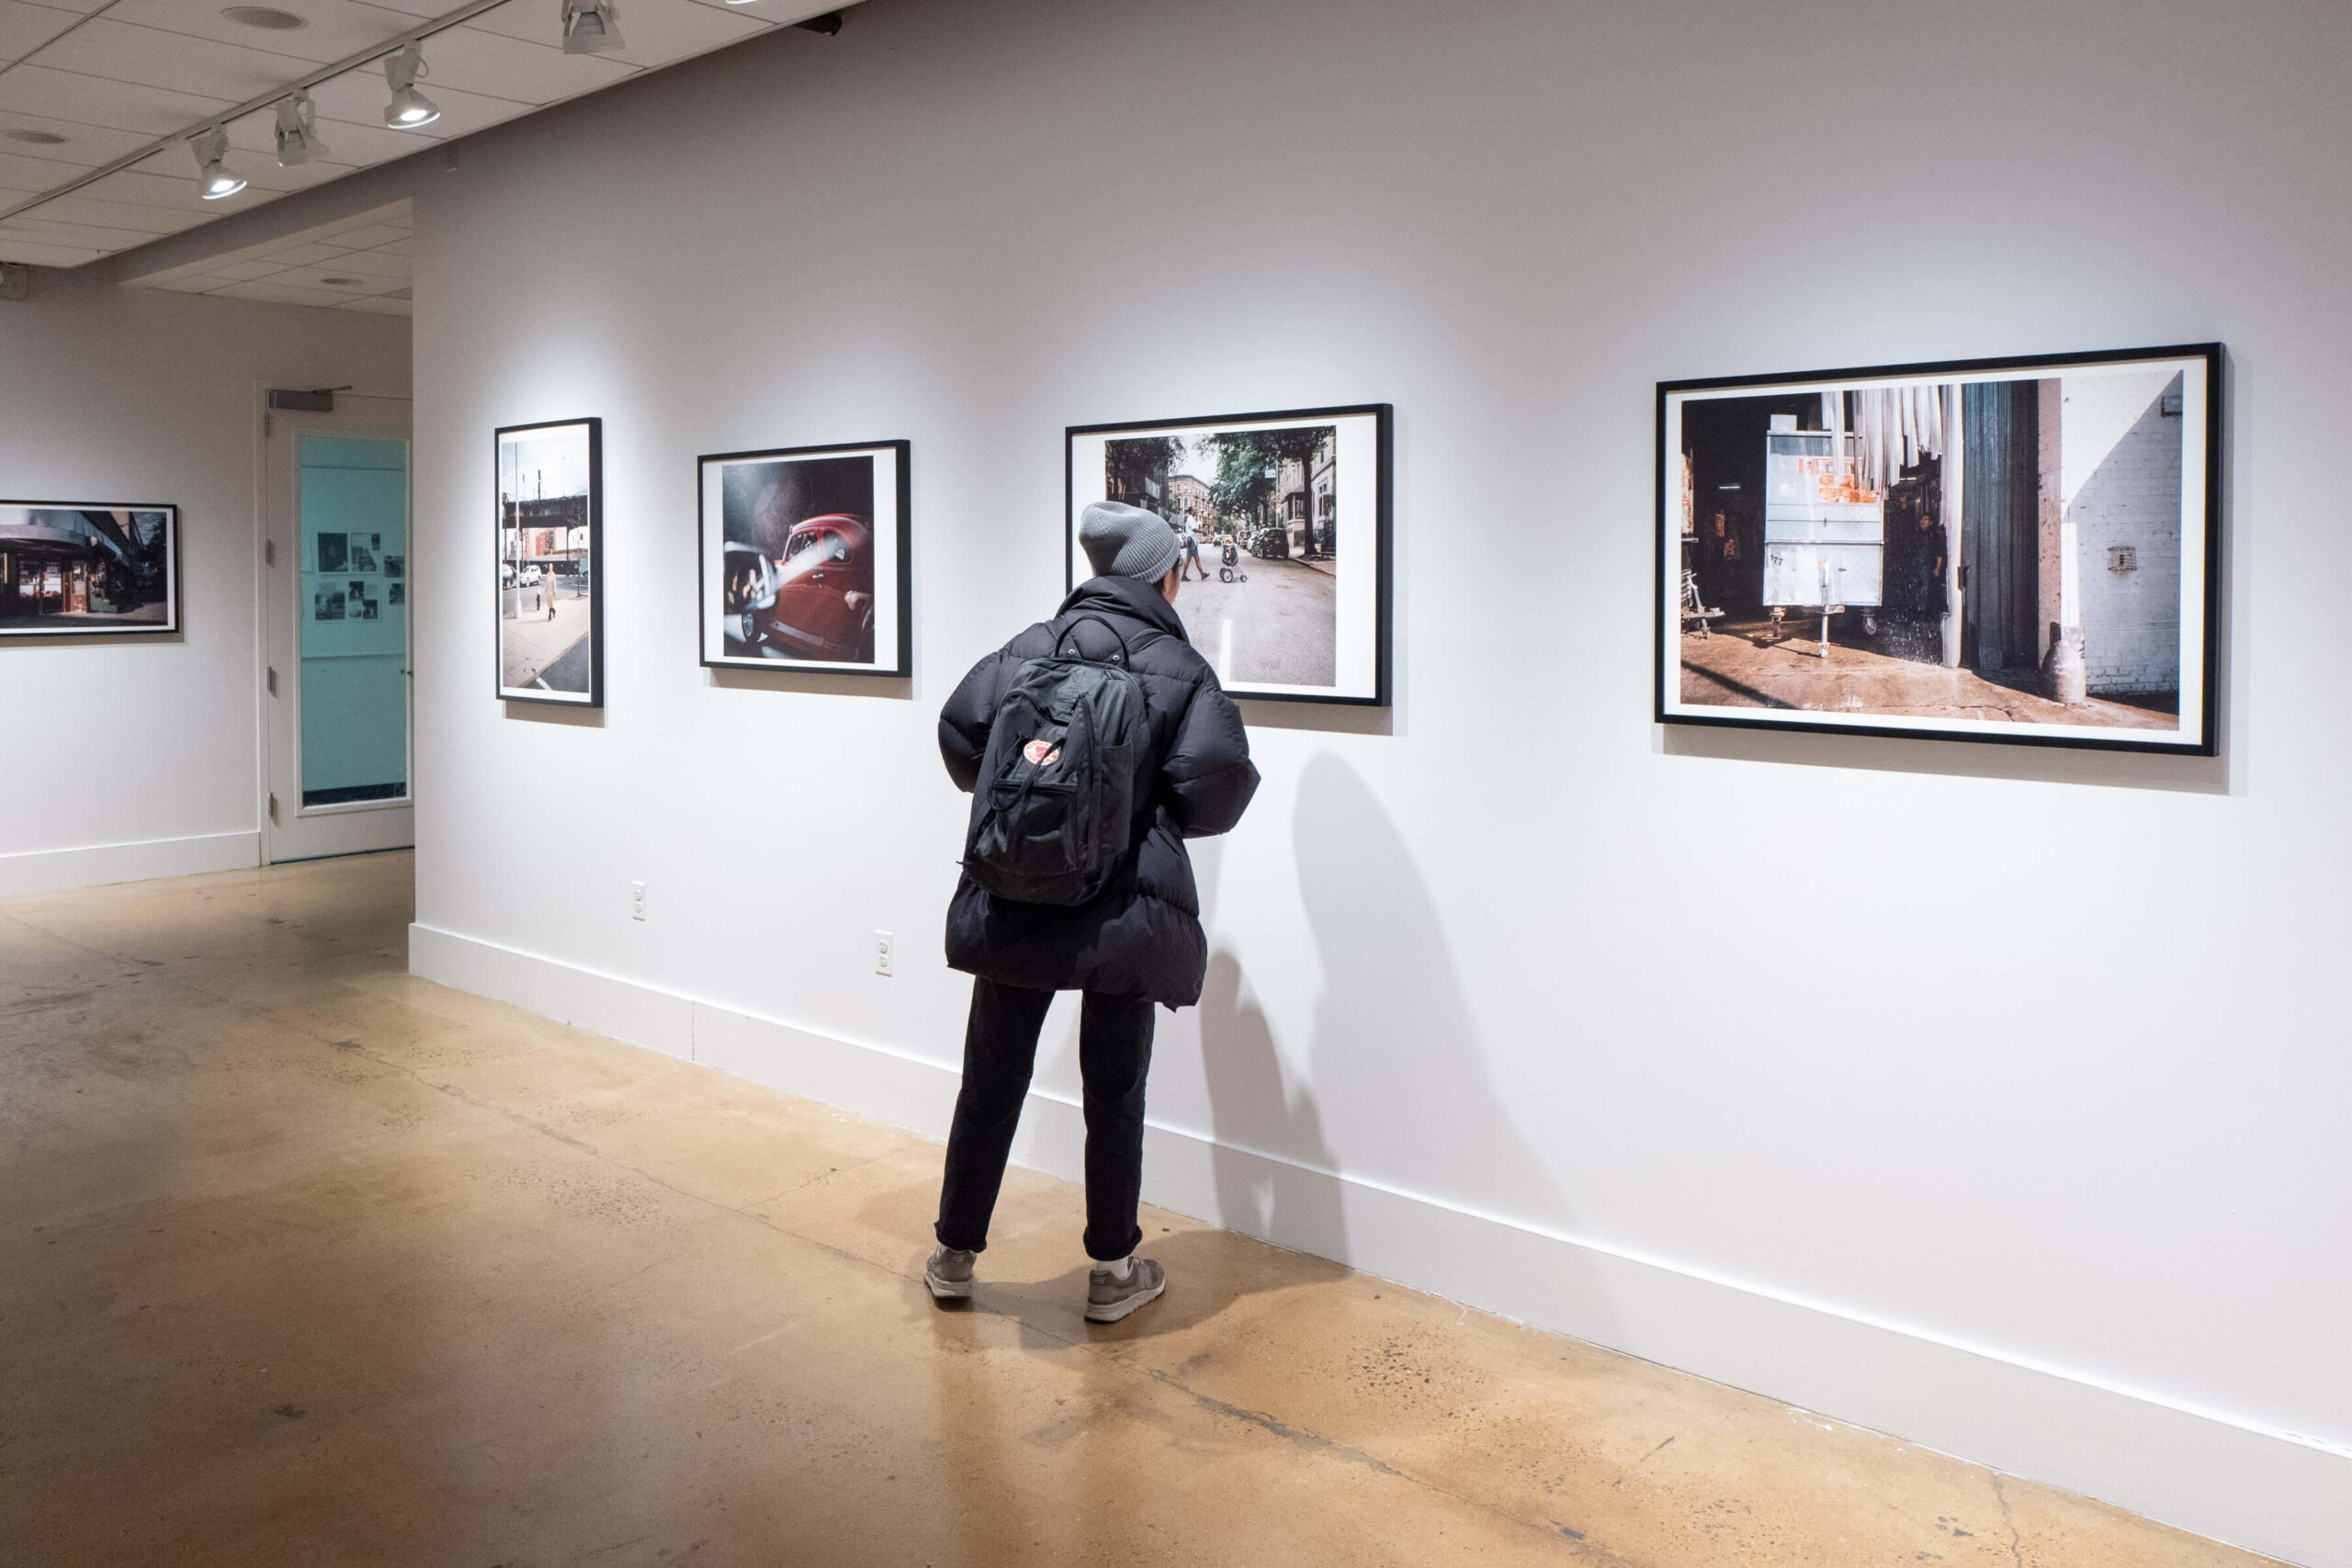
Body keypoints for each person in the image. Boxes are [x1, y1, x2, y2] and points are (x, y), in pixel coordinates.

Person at [928, 500, 1259, 1322]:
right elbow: (1214, 791)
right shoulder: (1179, 668)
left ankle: (954, 1254)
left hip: (1015, 891)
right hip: (1122, 909)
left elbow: (961, 742)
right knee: (1115, 1087)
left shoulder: (1029, 646)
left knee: (990, 1078)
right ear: (1163, 574)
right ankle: (1113, 1271)